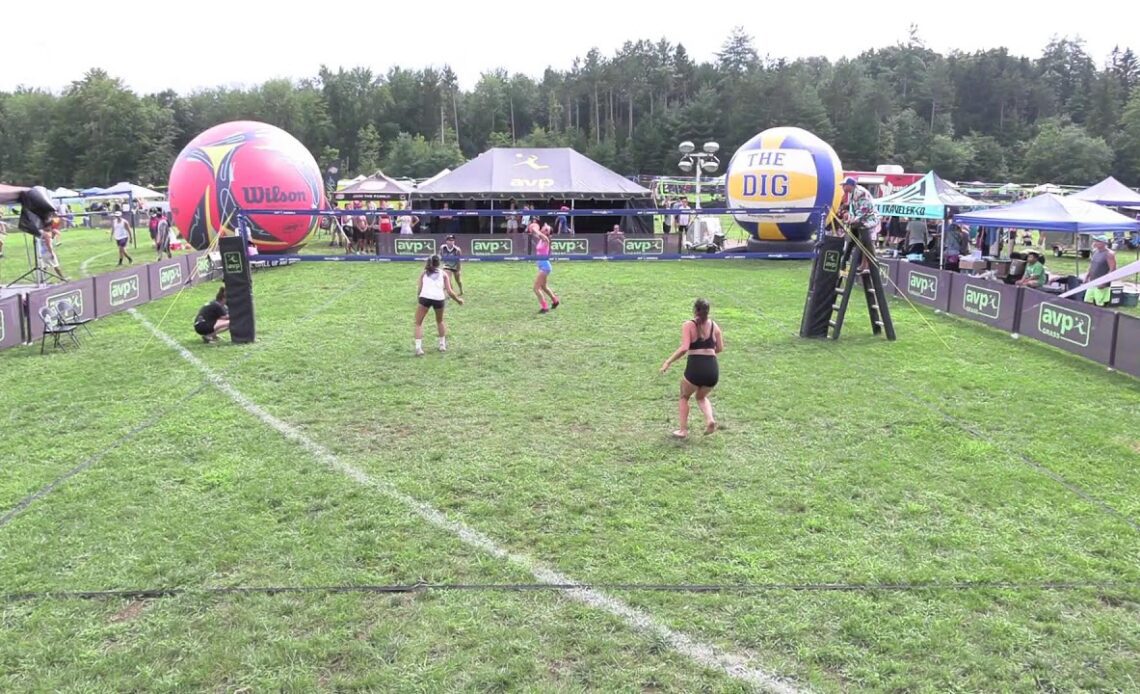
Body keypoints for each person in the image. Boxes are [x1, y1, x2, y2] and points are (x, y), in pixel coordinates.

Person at [659, 298, 724, 439]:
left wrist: (668, 362)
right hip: (712, 369)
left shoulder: (689, 325)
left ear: (695, 310)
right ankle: (710, 420)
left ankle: (682, 430)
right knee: (701, 397)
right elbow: (719, 348)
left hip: (696, 367)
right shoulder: (714, 326)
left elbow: (684, 348)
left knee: (684, 396)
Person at [414, 254, 464, 356]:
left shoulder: (424, 273)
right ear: (439, 263)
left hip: (425, 298)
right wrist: (458, 300)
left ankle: (418, 348)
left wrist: (419, 298)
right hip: (439, 299)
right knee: (440, 321)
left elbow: (419, 290)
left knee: (418, 323)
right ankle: (442, 345)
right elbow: (450, 291)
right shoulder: (444, 274)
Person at [841, 176, 879, 273]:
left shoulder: (860, 193)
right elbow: (853, 210)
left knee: (867, 243)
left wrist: (853, 220)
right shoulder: (852, 193)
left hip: (869, 220)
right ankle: (849, 263)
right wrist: (850, 218)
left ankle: (867, 266)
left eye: (844, 185)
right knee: (857, 241)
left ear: (850, 185)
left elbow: (864, 210)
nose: (843, 187)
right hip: (861, 221)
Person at [529, 222, 561, 313]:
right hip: (542, 265)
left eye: (546, 229)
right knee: (543, 286)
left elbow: (537, 232)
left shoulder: (546, 239)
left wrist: (534, 227)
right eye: (544, 227)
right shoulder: (541, 239)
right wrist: (532, 228)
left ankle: (544, 307)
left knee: (536, 288)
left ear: (547, 233)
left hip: (545, 266)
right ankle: (555, 301)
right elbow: (536, 233)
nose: (544, 229)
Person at [1084, 235, 1117, 307]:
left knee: (1099, 304)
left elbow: (1113, 270)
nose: (1095, 243)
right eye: (1095, 241)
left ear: (1104, 243)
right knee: (1088, 301)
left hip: (1102, 283)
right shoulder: (1095, 251)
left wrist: (1104, 283)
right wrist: (1087, 276)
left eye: (1097, 241)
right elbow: (1092, 265)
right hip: (1092, 281)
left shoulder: (1109, 254)